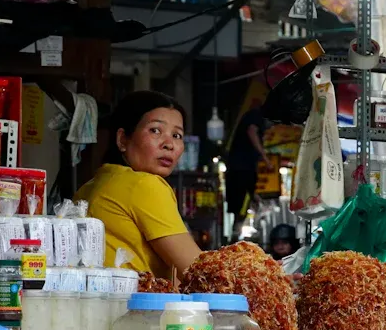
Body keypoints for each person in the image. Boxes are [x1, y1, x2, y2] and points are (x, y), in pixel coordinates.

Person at [75, 91, 201, 279]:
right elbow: (200, 271)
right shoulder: (144, 184)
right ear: (123, 139)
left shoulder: (92, 186)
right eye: (155, 130)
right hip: (131, 306)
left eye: (177, 135)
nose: (169, 144)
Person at [226, 105, 268, 241]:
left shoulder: (254, 115)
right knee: (241, 204)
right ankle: (235, 236)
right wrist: (264, 156)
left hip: (241, 169)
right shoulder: (256, 115)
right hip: (241, 169)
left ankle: (236, 234)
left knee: (245, 203)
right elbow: (252, 131)